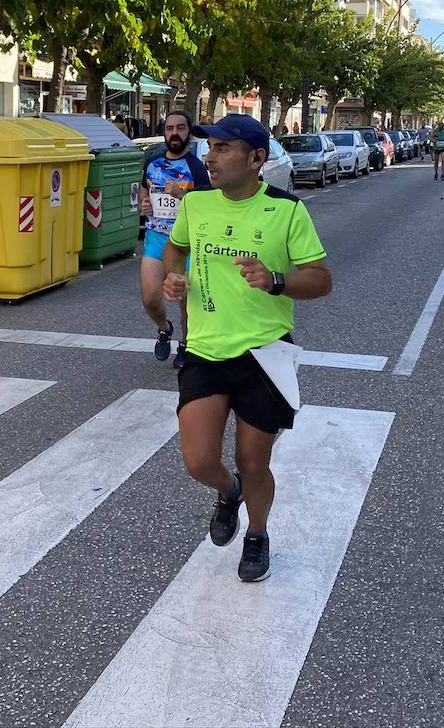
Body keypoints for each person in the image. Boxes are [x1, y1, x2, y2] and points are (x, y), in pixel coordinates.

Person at [162, 114, 332, 583]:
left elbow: (321, 280)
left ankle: (257, 533)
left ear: (256, 158)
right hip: (205, 348)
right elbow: (175, 249)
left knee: (255, 461)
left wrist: (275, 280)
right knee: (199, 462)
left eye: (222, 148)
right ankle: (228, 491)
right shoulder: (196, 206)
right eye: (208, 148)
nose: (209, 157)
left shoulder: (288, 210)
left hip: (264, 355)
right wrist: (174, 277)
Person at [139, 112, 211, 366]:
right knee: (149, 297)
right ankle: (163, 328)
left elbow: (207, 206)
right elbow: (144, 190)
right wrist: (144, 204)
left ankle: (186, 344)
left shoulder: (196, 168)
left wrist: (180, 193)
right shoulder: (153, 163)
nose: (175, 133)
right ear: (165, 132)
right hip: (156, 237)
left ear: (188, 134)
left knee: (184, 302)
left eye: (181, 128)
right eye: (170, 128)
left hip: (186, 243)